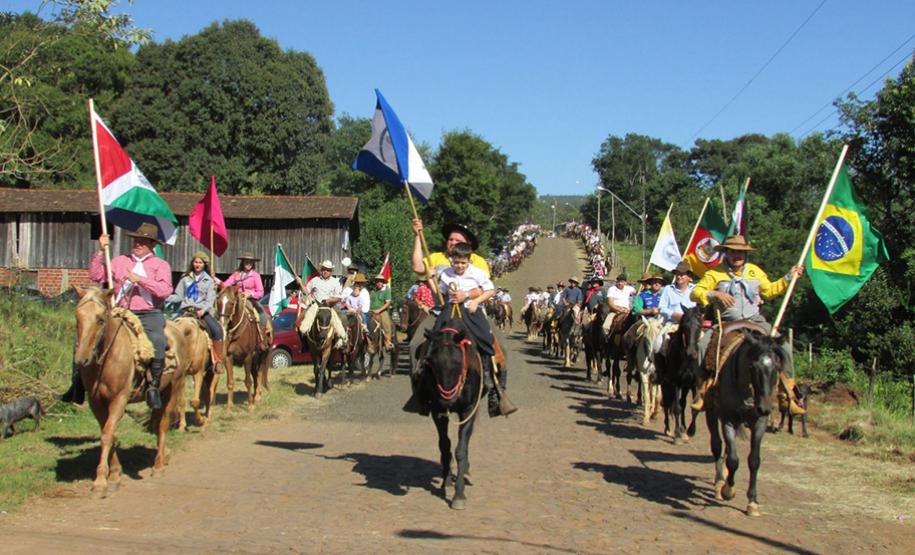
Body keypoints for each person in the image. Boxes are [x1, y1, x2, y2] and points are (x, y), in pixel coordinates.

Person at [690, 235, 805, 414]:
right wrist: (715, 294)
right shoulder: (715, 273)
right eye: (734, 251)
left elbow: (770, 291)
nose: (738, 255)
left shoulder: (755, 272)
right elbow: (695, 292)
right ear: (726, 253)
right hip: (728, 322)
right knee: (703, 345)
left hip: (755, 320)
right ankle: (704, 390)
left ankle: (787, 393)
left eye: (741, 252)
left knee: (785, 346)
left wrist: (788, 278)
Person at [62, 223, 173, 409]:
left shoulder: (160, 265)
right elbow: (96, 276)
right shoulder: (120, 261)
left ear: (152, 245)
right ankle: (77, 385)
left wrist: (142, 281)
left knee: (157, 341)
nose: (137, 244)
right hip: (120, 312)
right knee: (82, 338)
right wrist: (100, 252)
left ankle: (153, 387)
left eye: (143, 241)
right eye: (136, 240)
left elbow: (165, 291)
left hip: (148, 312)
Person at [408, 242, 514, 417]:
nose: (459, 266)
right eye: (456, 262)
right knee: (434, 339)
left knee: (486, 339)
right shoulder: (445, 274)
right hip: (449, 310)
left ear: (469, 261)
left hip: (470, 310)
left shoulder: (477, 274)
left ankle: (490, 378)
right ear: (452, 261)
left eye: (463, 263)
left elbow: (490, 290)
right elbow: (439, 295)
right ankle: (424, 378)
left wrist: (474, 301)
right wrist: (430, 278)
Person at [166, 251, 226, 373]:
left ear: (204, 264)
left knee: (217, 330)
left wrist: (203, 310)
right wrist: (164, 296)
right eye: (195, 262)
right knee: (169, 329)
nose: (197, 264)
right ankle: (168, 358)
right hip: (186, 311)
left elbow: (210, 299)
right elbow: (178, 296)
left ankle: (217, 361)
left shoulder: (209, 281)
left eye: (200, 262)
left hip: (201, 312)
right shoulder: (185, 279)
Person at [218, 252, 270, 348]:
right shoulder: (236, 274)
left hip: (251, 300)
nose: (248, 263)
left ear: (253, 263)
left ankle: (262, 339)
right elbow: (226, 284)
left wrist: (250, 293)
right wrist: (217, 281)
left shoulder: (255, 276)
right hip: (237, 300)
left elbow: (261, 292)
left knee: (263, 316)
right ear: (242, 262)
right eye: (246, 261)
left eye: (250, 262)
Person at [300, 260, 347, 349]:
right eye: (324, 269)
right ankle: (304, 344)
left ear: (331, 271)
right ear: (321, 270)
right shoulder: (314, 280)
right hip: (316, 306)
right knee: (299, 321)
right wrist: (300, 284)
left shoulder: (335, 282)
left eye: (328, 270)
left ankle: (341, 340)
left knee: (343, 318)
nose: (325, 271)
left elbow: (339, 297)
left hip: (330, 307)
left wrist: (330, 300)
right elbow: (306, 291)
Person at [369, 274, 394, 350]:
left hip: (382, 311)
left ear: (383, 282)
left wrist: (379, 310)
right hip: (371, 311)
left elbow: (388, 303)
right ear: (375, 282)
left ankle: (388, 342)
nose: (379, 283)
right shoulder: (372, 292)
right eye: (377, 281)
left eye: (381, 281)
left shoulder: (386, 291)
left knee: (386, 324)